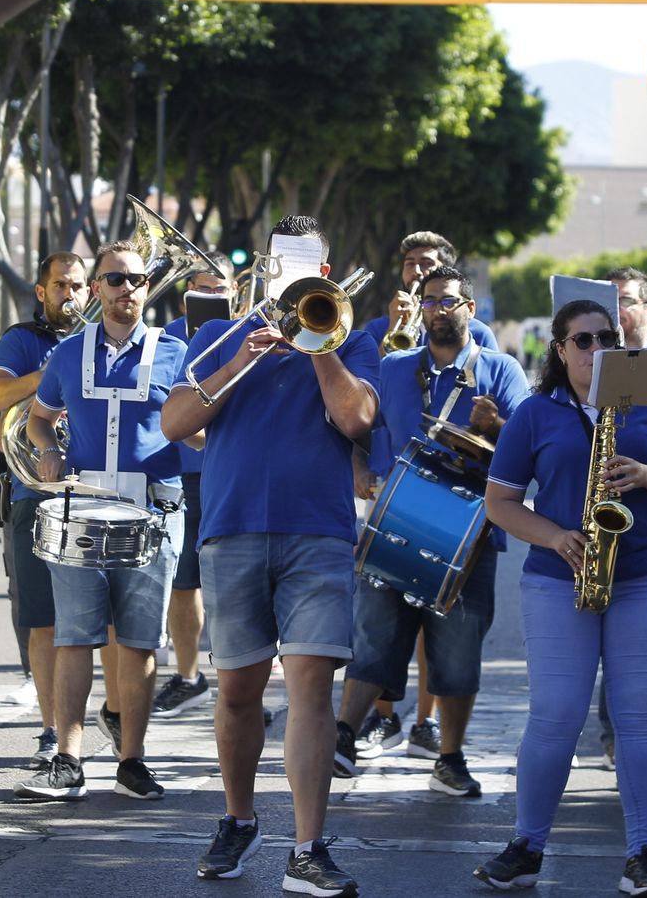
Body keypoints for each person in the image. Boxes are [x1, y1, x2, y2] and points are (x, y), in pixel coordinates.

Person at [164, 215, 379, 895]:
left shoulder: (347, 335)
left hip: (317, 531)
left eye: (308, 263)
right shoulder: (216, 334)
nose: (295, 273)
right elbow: (174, 422)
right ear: (264, 264)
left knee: (313, 683)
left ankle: (309, 846)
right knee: (237, 690)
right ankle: (238, 817)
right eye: (286, 262)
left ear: (324, 265)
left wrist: (317, 341)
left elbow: (359, 419)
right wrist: (240, 359)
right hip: (233, 530)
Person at [475, 298, 647, 897]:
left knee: (639, 718)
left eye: (608, 337)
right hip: (559, 576)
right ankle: (527, 845)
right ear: (560, 349)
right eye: (583, 340)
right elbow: (499, 502)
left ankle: (643, 853)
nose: (597, 349)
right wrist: (554, 536)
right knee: (556, 714)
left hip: (646, 576)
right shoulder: (534, 413)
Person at [336, 265, 529, 797]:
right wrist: (359, 468)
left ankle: (450, 755)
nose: (437, 311)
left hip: (470, 535)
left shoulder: (502, 370)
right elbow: (356, 423)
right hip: (396, 523)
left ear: (470, 309)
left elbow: (530, 449)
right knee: (372, 635)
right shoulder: (395, 366)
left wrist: (498, 428)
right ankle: (344, 736)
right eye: (430, 303)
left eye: (448, 302)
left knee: (458, 651)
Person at [14, 241, 188, 802]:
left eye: (136, 280)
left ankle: (131, 761)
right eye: (114, 280)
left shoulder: (175, 352)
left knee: (138, 645)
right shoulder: (67, 355)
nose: (126, 290)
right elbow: (40, 419)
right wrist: (45, 449)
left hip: (152, 511)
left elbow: (201, 422)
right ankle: (67, 759)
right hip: (82, 507)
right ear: (97, 290)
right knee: (74, 639)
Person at [0, 251, 93, 769]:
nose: (70, 294)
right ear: (41, 292)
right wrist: (51, 374)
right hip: (33, 493)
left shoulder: (105, 340)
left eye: (78, 285)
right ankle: (51, 731)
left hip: (97, 493)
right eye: (60, 286)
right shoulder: (22, 341)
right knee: (43, 620)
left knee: (103, 623)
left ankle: (105, 725)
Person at [154, 254, 234, 718]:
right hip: (176, 474)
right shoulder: (166, 341)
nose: (211, 297)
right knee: (184, 584)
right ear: (186, 296)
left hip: (227, 475)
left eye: (219, 290)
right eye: (202, 289)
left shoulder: (249, 334)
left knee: (230, 585)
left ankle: (237, 686)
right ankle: (188, 677)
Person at [589, 265, 647, 767]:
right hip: (597, 530)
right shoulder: (585, 365)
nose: (618, 311)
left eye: (628, 301)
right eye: (610, 301)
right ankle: (613, 733)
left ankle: (630, 738)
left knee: (640, 664)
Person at [362, 231, 499, 354]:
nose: (416, 271)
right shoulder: (376, 329)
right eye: (409, 264)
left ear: (445, 270)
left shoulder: (478, 333)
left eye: (426, 263)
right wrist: (392, 329)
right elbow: (369, 379)